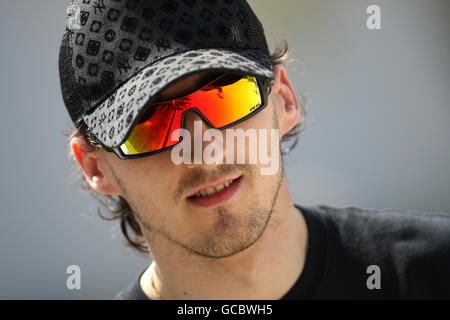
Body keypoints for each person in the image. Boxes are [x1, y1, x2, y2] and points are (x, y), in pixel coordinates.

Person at [59, 0, 450, 300]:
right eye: (152, 126)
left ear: (283, 100)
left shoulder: (434, 271)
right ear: (96, 167)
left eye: (225, 98)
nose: (204, 152)